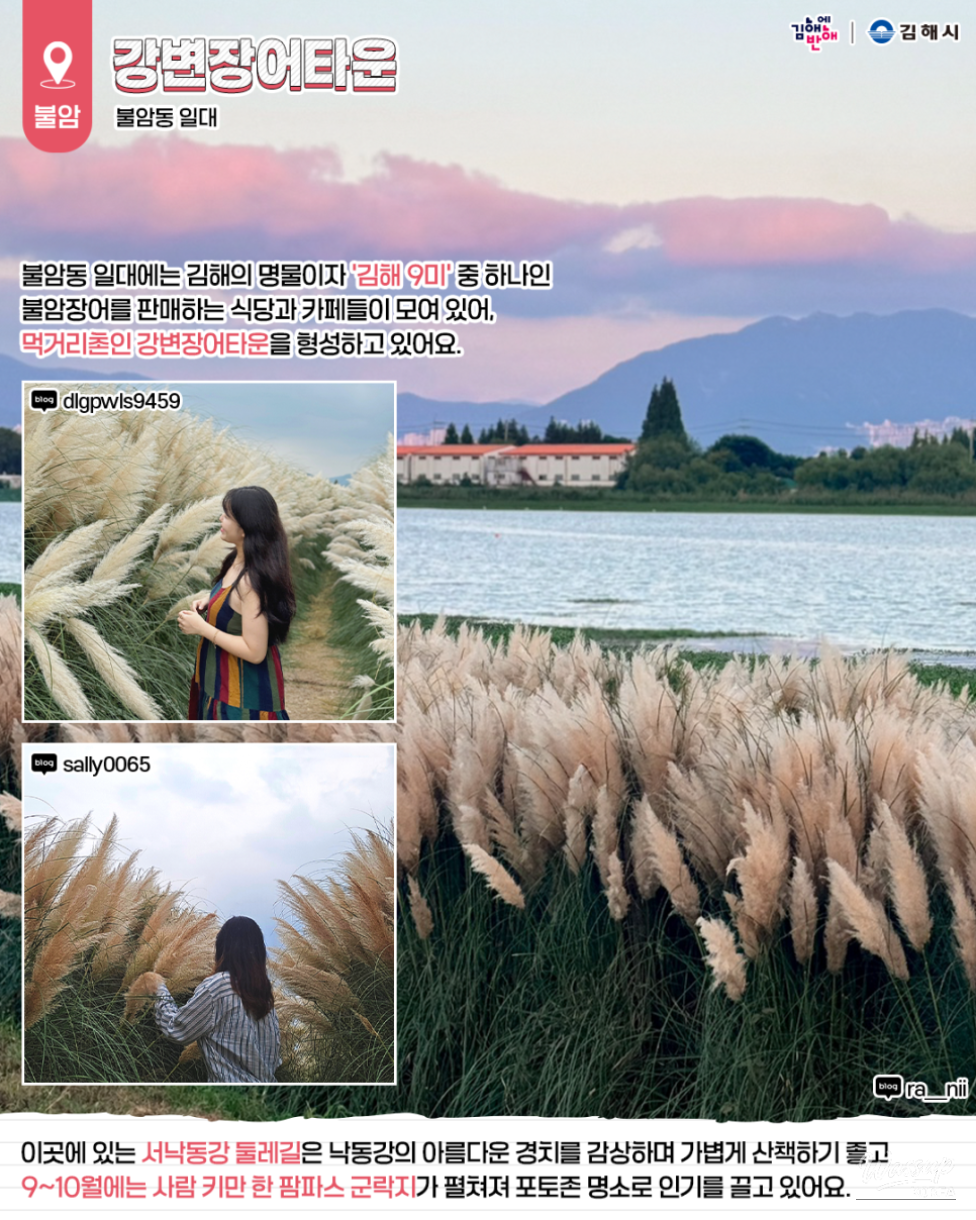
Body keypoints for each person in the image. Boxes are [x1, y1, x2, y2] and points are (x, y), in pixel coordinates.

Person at [179, 486, 295, 720]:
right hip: (216, 682)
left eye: (228, 515)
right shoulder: (236, 560)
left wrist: (203, 629)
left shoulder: (251, 581)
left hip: (241, 698)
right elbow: (235, 602)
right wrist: (211, 602)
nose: (221, 518)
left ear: (246, 526)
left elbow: (255, 652)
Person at [151, 916, 281, 1084]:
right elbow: (275, 1061)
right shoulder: (268, 1005)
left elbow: (177, 1029)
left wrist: (158, 986)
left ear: (223, 948)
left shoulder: (219, 986)